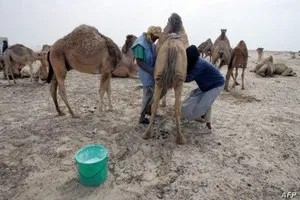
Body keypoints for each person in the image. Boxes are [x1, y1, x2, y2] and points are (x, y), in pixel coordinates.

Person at [182, 45, 225, 130]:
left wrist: (177, 76)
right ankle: (207, 120)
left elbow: (188, 79)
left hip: (215, 85)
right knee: (193, 99)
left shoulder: (198, 65)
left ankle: (203, 119)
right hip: (207, 85)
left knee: (202, 106)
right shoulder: (196, 62)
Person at [131, 26, 162, 124]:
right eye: (155, 38)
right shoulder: (140, 44)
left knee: (154, 93)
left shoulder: (150, 42)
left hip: (152, 71)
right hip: (146, 72)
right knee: (147, 95)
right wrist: (151, 71)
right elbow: (139, 62)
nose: (156, 40)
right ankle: (142, 117)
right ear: (151, 35)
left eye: (157, 39)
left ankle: (149, 110)